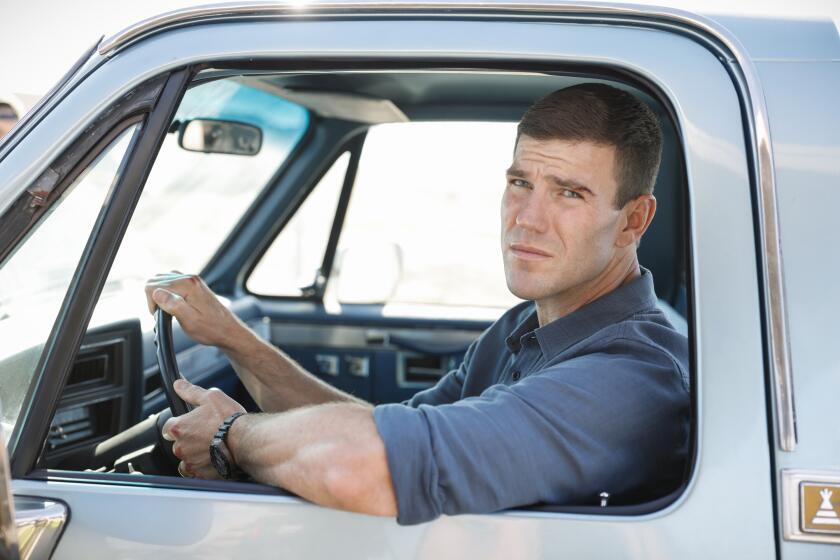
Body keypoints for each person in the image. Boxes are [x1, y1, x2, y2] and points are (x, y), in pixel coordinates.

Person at [145, 83, 689, 526]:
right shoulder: (523, 326)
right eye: (521, 182)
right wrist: (232, 337)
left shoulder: (633, 377)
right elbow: (381, 428)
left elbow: (362, 464)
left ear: (633, 221)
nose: (526, 217)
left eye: (569, 193)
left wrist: (228, 437)